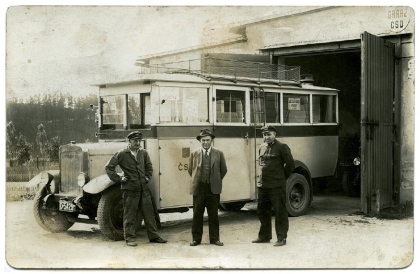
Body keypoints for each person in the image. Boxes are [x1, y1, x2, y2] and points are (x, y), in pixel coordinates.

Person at [105, 131, 167, 246]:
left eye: (139, 141)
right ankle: (129, 238)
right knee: (130, 214)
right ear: (130, 141)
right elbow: (109, 167)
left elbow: (149, 167)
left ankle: (154, 236)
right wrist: (119, 179)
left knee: (149, 214)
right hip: (130, 189)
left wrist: (147, 178)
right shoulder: (121, 153)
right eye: (135, 141)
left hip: (143, 188)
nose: (138, 143)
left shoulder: (143, 153)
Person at [252, 125, 295, 246]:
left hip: (277, 185)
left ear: (274, 135)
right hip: (264, 185)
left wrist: (281, 178)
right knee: (262, 211)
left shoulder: (282, 147)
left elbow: (291, 165)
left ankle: (282, 238)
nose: (267, 137)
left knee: (280, 212)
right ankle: (264, 236)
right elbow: (262, 165)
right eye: (265, 135)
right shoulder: (262, 147)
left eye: (269, 134)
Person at [188, 129, 227, 246]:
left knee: (213, 214)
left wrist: (214, 180)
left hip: (213, 189)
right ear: (200, 141)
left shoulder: (219, 153)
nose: (205, 142)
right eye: (203, 140)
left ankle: (215, 239)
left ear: (212, 140)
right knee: (197, 214)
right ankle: (196, 239)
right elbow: (191, 170)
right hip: (199, 188)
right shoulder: (194, 153)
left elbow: (223, 170)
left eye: (208, 140)